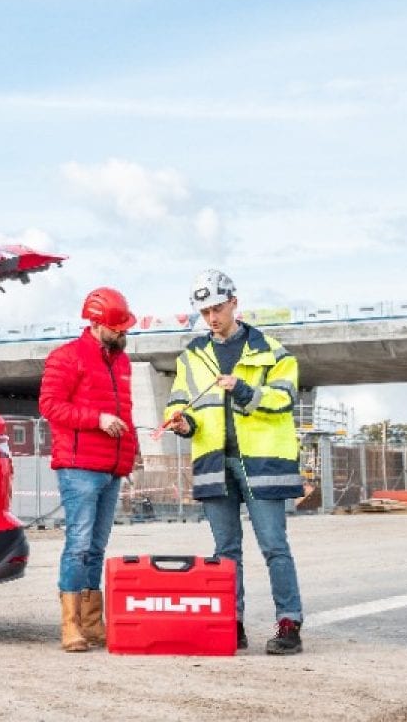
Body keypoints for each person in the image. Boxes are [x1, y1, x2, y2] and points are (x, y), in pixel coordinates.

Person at [162, 269, 306, 655]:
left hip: (262, 463)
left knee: (274, 546)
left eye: (217, 309)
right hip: (213, 461)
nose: (211, 318)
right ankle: (232, 623)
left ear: (234, 303)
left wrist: (242, 388)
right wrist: (182, 422)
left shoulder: (273, 351)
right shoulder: (192, 356)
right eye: (204, 311)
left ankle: (289, 623)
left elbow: (283, 398)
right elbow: (180, 399)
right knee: (225, 551)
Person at [38, 286, 139, 652]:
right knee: (78, 544)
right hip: (79, 467)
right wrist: (97, 418)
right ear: (97, 324)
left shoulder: (121, 361)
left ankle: (93, 624)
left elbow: (125, 414)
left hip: (111, 467)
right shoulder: (66, 358)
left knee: (96, 547)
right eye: (118, 327)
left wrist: (131, 454)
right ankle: (71, 626)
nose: (124, 333)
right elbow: (50, 406)